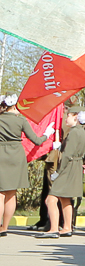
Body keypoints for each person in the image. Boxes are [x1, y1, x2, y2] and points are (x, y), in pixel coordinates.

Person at [0, 94, 46, 236]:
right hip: (16, 156)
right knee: (11, 194)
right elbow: (37, 141)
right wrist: (47, 134)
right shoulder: (21, 120)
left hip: (1, 154)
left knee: (0, 194)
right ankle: (4, 227)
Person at [45, 112, 85, 237]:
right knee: (65, 199)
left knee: (51, 199)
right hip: (76, 165)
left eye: (68, 116)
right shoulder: (83, 132)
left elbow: (67, 154)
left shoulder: (74, 132)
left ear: (76, 118)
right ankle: (67, 227)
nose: (66, 119)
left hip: (68, 166)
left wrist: (58, 171)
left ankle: (54, 229)